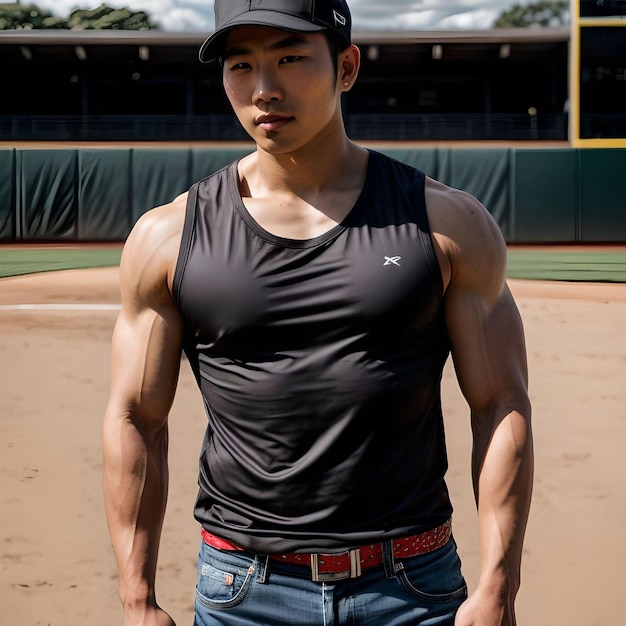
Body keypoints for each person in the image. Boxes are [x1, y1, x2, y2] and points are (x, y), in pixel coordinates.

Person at [102, 0, 534, 624]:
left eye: (291, 58)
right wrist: (136, 597)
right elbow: (134, 415)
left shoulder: (446, 222)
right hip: (243, 590)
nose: (264, 88)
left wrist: (497, 587)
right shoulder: (167, 236)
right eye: (241, 64)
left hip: (411, 585)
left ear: (348, 66)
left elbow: (500, 403)